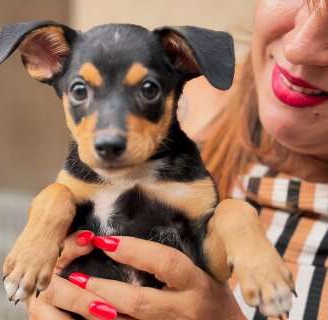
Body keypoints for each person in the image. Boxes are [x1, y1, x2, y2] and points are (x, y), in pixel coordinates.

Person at [25, 0, 328, 319]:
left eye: (147, 89)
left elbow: (208, 252)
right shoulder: (198, 113)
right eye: (80, 91)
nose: (299, 47)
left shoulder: (181, 157)